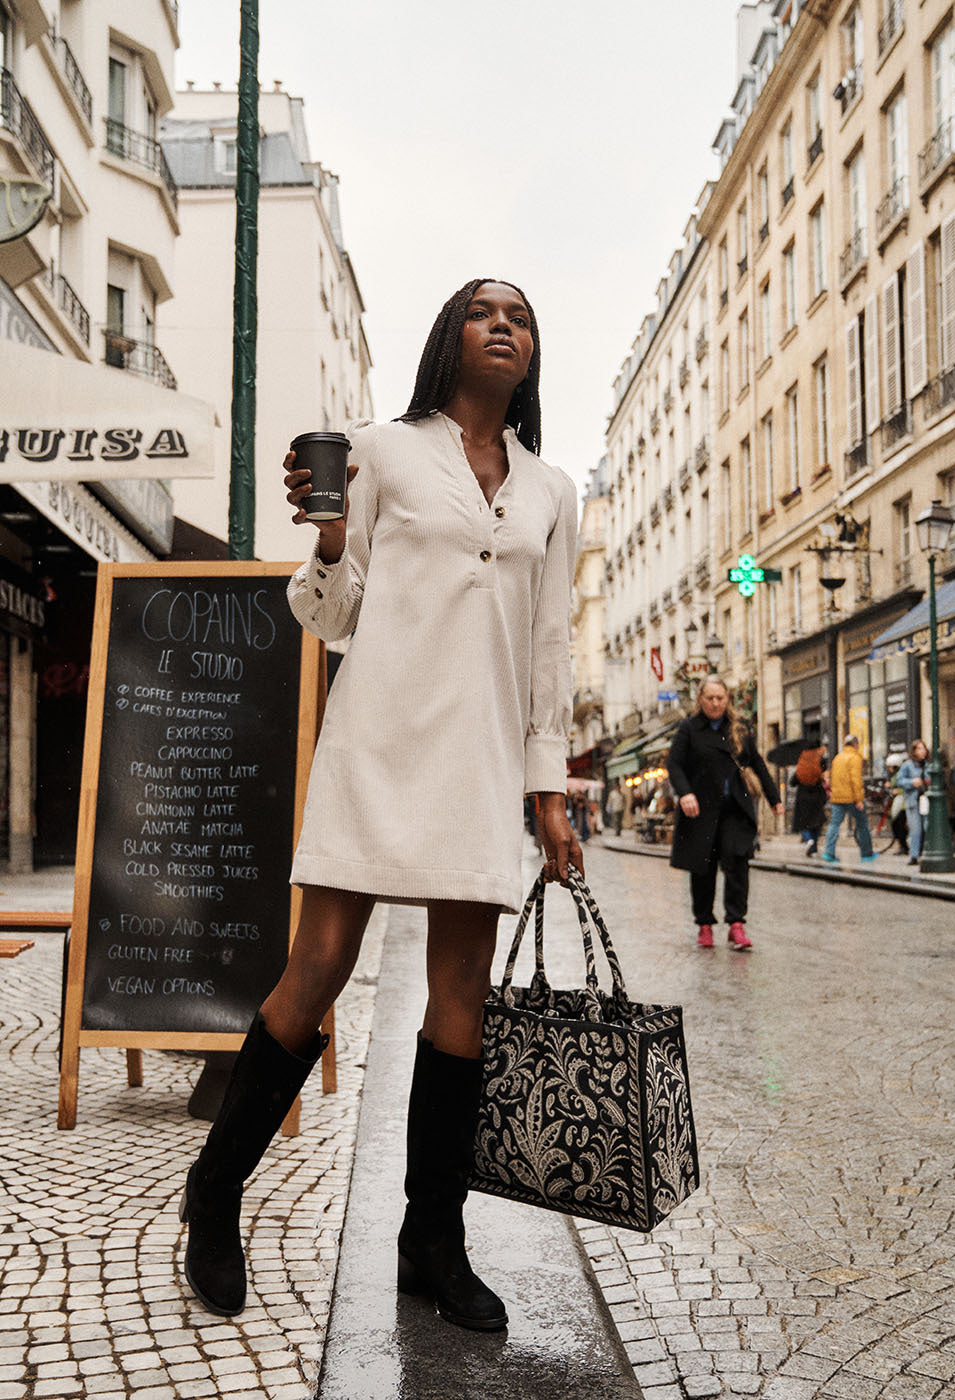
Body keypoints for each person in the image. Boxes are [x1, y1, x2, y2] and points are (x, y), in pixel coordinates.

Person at [178, 279, 582, 1332]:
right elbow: (333, 611)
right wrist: (323, 537)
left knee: (462, 1002)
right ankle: (214, 1192)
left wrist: (549, 790)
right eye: (483, 310)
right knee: (316, 968)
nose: (504, 324)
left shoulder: (551, 488)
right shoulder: (381, 448)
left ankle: (429, 1241)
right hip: (377, 740)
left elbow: (548, 647)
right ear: (447, 336)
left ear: (533, 352)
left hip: (484, 762)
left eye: (522, 315)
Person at [666, 677, 782, 950]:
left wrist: (774, 798)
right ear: (701, 700)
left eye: (720, 698)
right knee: (703, 869)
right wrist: (685, 793)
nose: (716, 703)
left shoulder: (739, 729)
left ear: (727, 699)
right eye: (710, 698)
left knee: (738, 865)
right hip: (701, 811)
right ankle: (704, 925)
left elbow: (758, 764)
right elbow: (674, 764)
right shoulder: (689, 729)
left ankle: (736, 924)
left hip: (735, 810)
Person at [822, 735, 877, 865]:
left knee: (834, 824)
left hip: (837, 798)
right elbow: (856, 780)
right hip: (851, 798)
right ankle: (867, 853)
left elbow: (831, 778)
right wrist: (859, 799)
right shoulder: (855, 758)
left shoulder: (837, 758)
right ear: (856, 744)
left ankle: (829, 853)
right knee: (862, 823)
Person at [895, 739, 929, 866]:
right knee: (915, 829)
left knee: (927, 826)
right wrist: (911, 782)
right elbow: (899, 781)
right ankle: (914, 855)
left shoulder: (928, 764)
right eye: (919, 748)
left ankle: (925, 853)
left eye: (923, 748)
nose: (923, 751)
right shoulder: (908, 765)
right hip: (913, 801)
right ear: (914, 751)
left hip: (926, 800)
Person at [790, 742, 827, 856]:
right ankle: (814, 848)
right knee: (816, 824)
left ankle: (809, 840)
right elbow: (822, 776)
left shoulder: (802, 765)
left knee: (802, 824)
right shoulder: (819, 762)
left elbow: (792, 782)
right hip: (816, 797)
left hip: (803, 798)